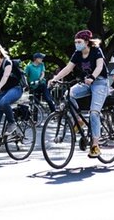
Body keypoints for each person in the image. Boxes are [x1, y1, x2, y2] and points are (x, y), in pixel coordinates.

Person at [47, 30, 109, 158]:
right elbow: (68, 68)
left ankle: (95, 146)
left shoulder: (96, 50)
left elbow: (99, 67)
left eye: (79, 42)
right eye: (75, 42)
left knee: (94, 113)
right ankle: (79, 120)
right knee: (68, 94)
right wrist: (55, 78)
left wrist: (92, 77)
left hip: (100, 82)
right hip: (86, 82)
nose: (76, 44)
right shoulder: (77, 53)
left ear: (87, 42)